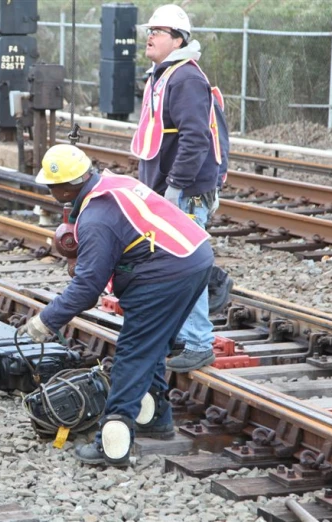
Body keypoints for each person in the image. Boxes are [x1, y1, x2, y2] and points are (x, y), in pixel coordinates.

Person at [17, 144, 214, 467]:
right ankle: (157, 419)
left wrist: (45, 321)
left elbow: (86, 290)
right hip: (194, 259)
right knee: (153, 345)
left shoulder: (97, 219)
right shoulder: (113, 184)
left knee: (132, 354)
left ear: (67, 187)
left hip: (164, 275)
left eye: (51, 186)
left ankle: (113, 445)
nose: (50, 191)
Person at [131, 4, 225, 373]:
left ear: (178, 39)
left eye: (158, 31)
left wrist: (175, 186)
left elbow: (195, 137)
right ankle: (187, 335)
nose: (149, 37)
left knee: (186, 268)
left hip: (183, 192)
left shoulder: (184, 78)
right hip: (168, 190)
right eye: (149, 31)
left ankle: (200, 342)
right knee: (175, 266)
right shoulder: (162, 75)